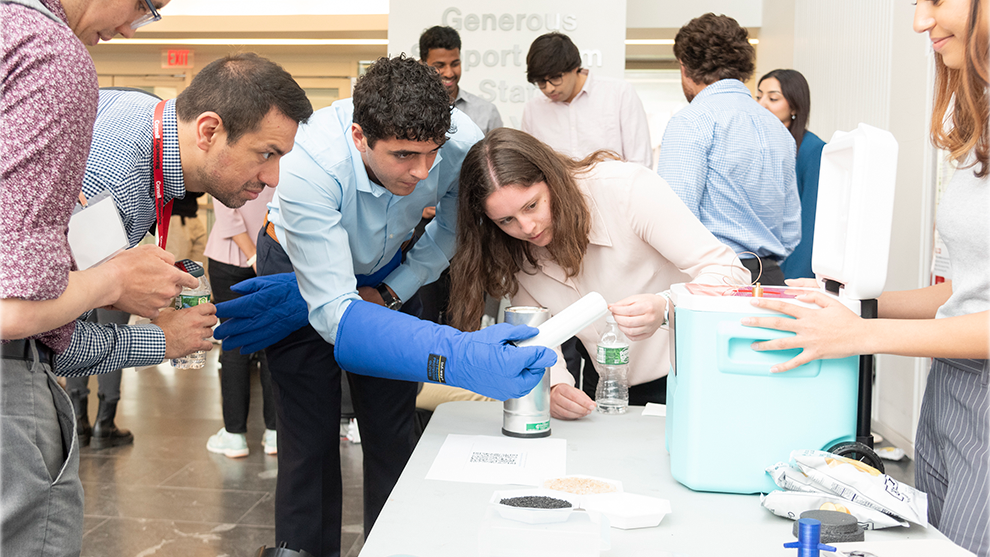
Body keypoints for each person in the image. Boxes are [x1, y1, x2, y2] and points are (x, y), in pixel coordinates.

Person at [212, 55, 555, 557]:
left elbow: (449, 230)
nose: (420, 173)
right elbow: (334, 315)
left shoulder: (457, 143)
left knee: (391, 424)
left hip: (390, 266)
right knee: (307, 432)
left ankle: (393, 546)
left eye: (430, 154)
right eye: (403, 156)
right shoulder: (310, 160)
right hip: (298, 263)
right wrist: (453, 354)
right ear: (359, 137)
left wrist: (392, 290)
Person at [745, 1, 988, 554]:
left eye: (936, 2)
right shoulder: (981, 124)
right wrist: (859, 305)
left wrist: (862, 335)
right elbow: (969, 290)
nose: (919, 22)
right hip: (950, 385)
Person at [0, 0, 192, 555]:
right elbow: (15, 308)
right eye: (143, 4)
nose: (132, 26)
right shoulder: (53, 54)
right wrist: (114, 283)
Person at [448, 128, 749, 419]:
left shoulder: (627, 191)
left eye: (532, 206)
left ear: (552, 180)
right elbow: (536, 332)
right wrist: (555, 386)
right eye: (506, 220)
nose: (527, 228)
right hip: (603, 385)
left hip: (685, 378)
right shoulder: (511, 245)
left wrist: (667, 307)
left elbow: (730, 273)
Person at [54, 53, 312, 382]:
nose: (273, 178)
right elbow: (45, 341)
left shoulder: (140, 112)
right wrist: (162, 340)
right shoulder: (116, 182)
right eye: (266, 153)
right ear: (208, 131)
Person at [657, 13, 800, 286]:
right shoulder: (780, 130)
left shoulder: (691, 121)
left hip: (715, 280)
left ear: (684, 66)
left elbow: (673, 220)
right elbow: (791, 230)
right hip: (770, 278)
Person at [204, 186, 279, 458]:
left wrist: (252, 254)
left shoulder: (230, 153)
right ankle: (274, 433)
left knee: (234, 342)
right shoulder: (284, 156)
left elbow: (226, 212)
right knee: (272, 340)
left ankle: (235, 436)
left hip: (229, 257)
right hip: (274, 255)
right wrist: (261, 254)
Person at [521, 32, 653, 169]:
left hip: (613, 190)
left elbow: (640, 161)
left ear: (575, 67)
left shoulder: (619, 94)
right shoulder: (533, 110)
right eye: (541, 81)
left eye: (555, 78)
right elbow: (530, 168)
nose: (549, 89)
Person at [756, 69, 826, 280]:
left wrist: (793, 279)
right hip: (759, 264)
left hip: (792, 269)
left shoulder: (813, 149)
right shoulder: (762, 147)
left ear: (794, 106)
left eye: (773, 98)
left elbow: (811, 220)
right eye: (759, 96)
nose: (762, 104)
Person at [420, 25, 503, 135]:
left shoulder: (487, 112)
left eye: (455, 64)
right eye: (440, 65)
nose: (449, 73)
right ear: (422, 64)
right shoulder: (408, 110)